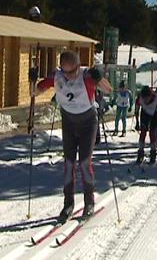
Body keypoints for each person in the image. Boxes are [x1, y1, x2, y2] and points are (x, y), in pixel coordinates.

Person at [32, 51, 113, 223]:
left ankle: (89, 202)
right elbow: (35, 92)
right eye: (64, 71)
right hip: (68, 123)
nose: (67, 76)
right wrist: (33, 80)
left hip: (87, 123)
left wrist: (99, 78)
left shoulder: (87, 76)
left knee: (84, 163)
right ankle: (68, 204)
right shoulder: (58, 76)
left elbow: (108, 89)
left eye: (71, 72)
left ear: (78, 66)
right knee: (68, 164)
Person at [136, 85, 157, 164]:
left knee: (152, 133)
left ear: (151, 96)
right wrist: (137, 122)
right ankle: (140, 153)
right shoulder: (140, 99)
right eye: (144, 98)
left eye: (147, 98)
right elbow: (137, 109)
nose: (145, 100)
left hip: (155, 114)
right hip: (145, 114)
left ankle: (153, 153)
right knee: (143, 133)